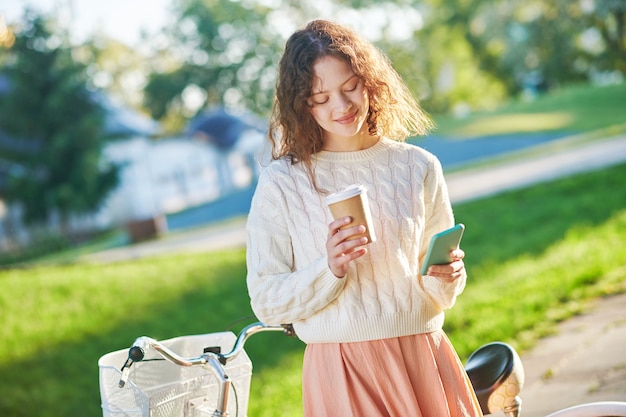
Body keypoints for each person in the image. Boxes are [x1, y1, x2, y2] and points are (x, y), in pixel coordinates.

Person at [246, 19, 482, 417]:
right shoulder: (280, 183)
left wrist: (448, 277)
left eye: (350, 86)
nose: (341, 106)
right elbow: (266, 301)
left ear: (369, 79)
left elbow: (438, 287)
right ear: (300, 102)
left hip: (423, 356)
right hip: (341, 369)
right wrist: (330, 269)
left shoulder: (417, 166)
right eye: (320, 97)